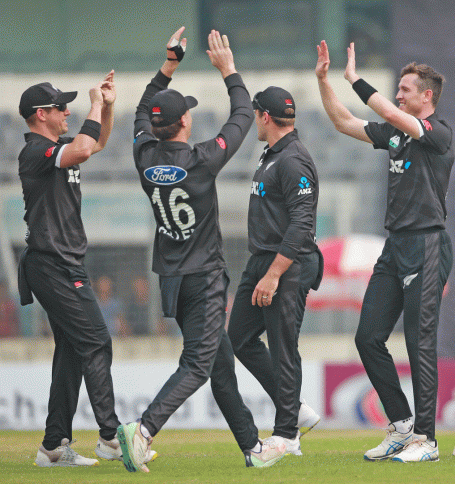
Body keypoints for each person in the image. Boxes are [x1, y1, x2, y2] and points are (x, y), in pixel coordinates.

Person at [116, 27, 286, 472]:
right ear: (185, 122)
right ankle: (144, 429)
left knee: (219, 365)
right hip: (205, 278)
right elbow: (243, 115)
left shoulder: (143, 156)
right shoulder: (202, 160)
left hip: (172, 280)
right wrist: (229, 70)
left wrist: (168, 65)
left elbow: (141, 110)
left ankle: (252, 447)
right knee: (197, 364)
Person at [316, 40, 454, 462]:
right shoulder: (395, 134)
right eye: (397, 89)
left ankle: (427, 441)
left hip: (427, 244)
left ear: (426, 96)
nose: (398, 95)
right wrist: (323, 81)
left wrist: (355, 79)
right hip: (395, 245)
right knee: (368, 337)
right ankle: (401, 426)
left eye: (405, 89)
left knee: (419, 344)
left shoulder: (439, 133)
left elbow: (393, 114)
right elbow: (343, 122)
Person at [17, 71, 130, 468]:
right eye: (61, 107)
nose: (67, 111)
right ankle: (111, 437)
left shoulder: (58, 147)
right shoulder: (35, 150)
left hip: (62, 263)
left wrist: (108, 107)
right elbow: (83, 149)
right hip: (52, 264)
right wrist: (94, 104)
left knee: (72, 352)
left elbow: (96, 142)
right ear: (41, 114)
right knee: (97, 341)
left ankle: (53, 447)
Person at [227, 85, 323, 455]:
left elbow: (301, 224)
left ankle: (287, 434)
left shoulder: (293, 159)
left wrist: (274, 274)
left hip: (286, 263)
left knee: (284, 347)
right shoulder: (273, 154)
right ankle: (295, 409)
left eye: (255, 115)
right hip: (262, 259)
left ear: (264, 116)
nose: (255, 121)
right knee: (238, 338)